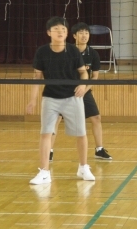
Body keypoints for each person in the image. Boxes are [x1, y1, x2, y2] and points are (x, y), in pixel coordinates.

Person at [26, 17, 93, 186]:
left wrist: (82, 85)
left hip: (73, 97)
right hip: (50, 97)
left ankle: (83, 167)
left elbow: (83, 72)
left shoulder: (73, 51)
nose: (60, 32)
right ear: (49, 32)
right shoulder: (42, 52)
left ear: (67, 32)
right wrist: (32, 100)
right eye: (56, 29)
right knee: (46, 133)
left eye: (63, 29)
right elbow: (37, 77)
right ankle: (44, 172)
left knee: (81, 133)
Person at [68, 22, 112, 160]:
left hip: (84, 90)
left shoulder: (93, 54)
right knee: (56, 120)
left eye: (86, 33)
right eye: (81, 33)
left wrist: (84, 90)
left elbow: (95, 77)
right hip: (66, 90)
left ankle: (99, 150)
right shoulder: (67, 51)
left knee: (96, 118)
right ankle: (49, 151)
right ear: (74, 35)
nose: (84, 35)